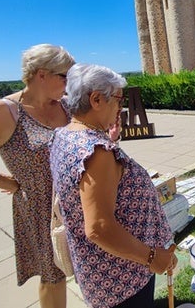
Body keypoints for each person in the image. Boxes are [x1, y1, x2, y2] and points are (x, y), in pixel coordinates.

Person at [49, 63, 177, 308]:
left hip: (101, 273)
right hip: (122, 279)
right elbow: (98, 228)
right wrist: (152, 258)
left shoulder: (65, 135)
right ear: (96, 99)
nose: (121, 107)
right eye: (118, 99)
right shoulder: (96, 152)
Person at [0, 44, 75, 308]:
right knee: (53, 276)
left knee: (84, 264)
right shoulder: (3, 112)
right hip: (39, 209)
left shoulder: (66, 106)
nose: (69, 83)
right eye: (64, 76)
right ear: (41, 75)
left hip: (75, 201)